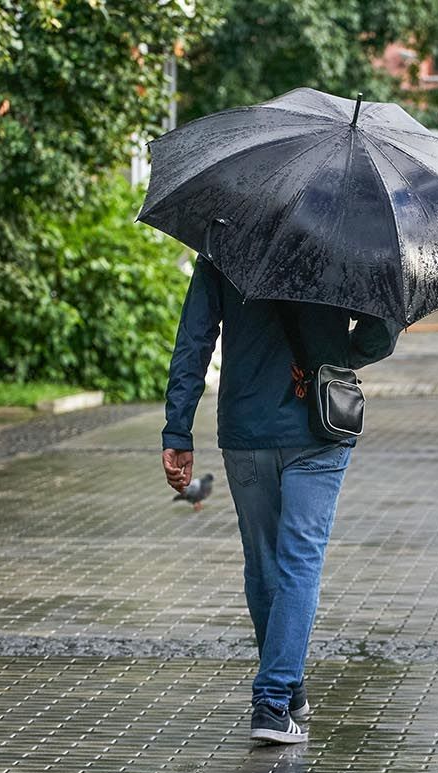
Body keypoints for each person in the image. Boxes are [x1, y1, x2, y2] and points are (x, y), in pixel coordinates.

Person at [162, 255, 400, 745]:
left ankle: (286, 690)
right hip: (319, 426)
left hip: (246, 428)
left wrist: (177, 428)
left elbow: (195, 340)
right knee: (300, 562)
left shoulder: (224, 243)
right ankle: (271, 702)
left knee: (265, 564)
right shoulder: (342, 240)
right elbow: (381, 331)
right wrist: (336, 353)